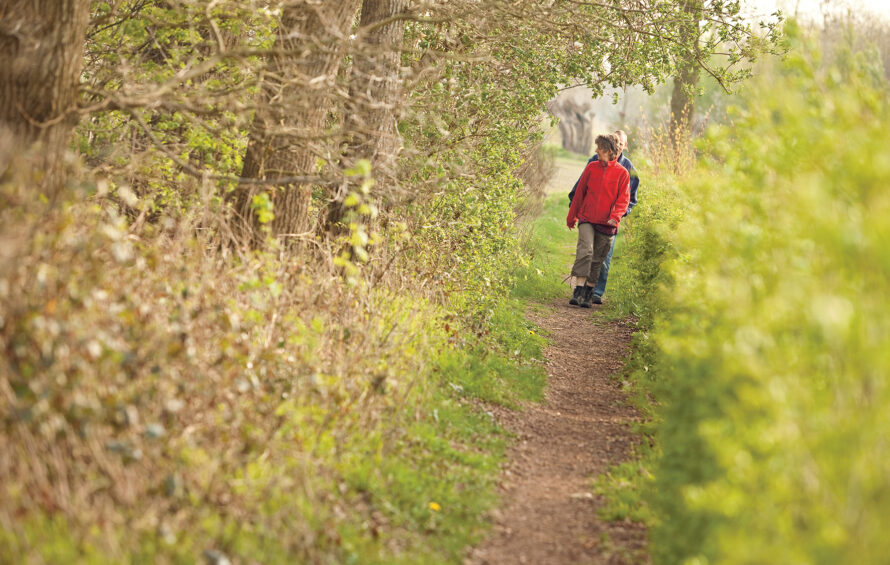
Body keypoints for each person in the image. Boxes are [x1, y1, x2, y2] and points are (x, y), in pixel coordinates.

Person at [568, 129, 640, 304]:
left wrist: (616, 216)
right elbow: (579, 193)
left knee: (600, 258)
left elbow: (627, 199)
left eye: (599, 148)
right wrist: (572, 215)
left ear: (609, 149)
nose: (596, 151)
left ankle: (592, 293)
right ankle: (578, 290)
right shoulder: (592, 165)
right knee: (586, 251)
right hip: (587, 217)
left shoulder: (626, 171)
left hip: (608, 222)